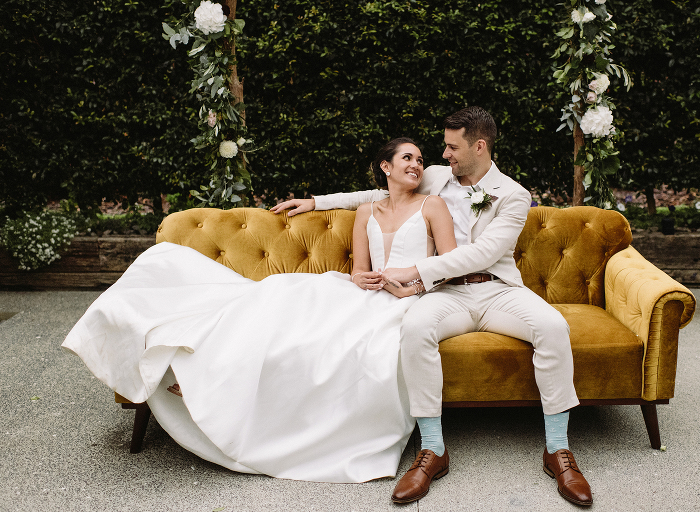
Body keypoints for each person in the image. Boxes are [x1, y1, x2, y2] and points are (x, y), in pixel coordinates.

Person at [62, 138, 458, 483]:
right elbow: (358, 270)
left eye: (421, 160)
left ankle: (212, 386)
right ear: (386, 167)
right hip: (363, 293)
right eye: (407, 158)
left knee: (336, 341)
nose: (416, 165)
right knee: (276, 296)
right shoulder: (368, 211)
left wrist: (412, 287)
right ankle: (203, 371)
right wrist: (360, 278)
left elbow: (450, 265)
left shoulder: (433, 204)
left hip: (404, 299)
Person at [271, 107, 594, 506]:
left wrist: (413, 270)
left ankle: (558, 449)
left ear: (479, 146)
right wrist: (316, 201)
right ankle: (433, 450)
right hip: (445, 293)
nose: (444, 154)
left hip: (498, 290)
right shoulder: (438, 177)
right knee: (415, 328)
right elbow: (378, 194)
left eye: (452, 147)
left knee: (553, 327)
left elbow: (485, 253)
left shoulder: (514, 194)